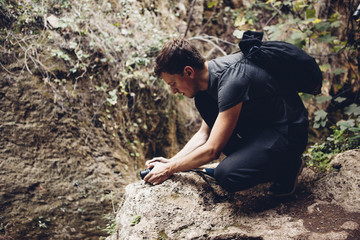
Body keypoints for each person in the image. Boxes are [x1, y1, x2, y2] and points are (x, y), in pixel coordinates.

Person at [144, 38, 308, 197]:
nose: (173, 91)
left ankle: (288, 165)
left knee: (227, 175)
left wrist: (171, 169)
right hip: (263, 127)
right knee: (203, 101)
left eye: (173, 83)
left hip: (288, 132)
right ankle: (254, 161)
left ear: (188, 71)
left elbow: (212, 150)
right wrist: (171, 161)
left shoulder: (231, 81)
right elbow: (204, 134)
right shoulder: (208, 84)